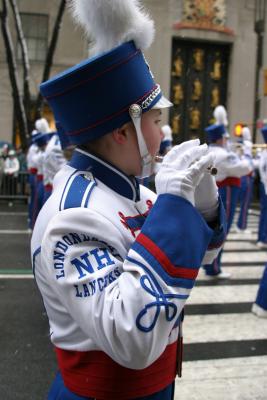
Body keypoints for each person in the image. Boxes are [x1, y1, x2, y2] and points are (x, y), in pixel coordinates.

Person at [31, 1, 226, 399]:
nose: (163, 132)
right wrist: (173, 208)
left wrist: (201, 209)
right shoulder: (76, 215)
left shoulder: (134, 189)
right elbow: (131, 336)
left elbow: (196, 261)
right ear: (123, 132)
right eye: (155, 122)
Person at [202, 123, 252, 279]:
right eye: (225, 138)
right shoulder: (224, 155)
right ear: (220, 139)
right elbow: (245, 169)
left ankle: (210, 265)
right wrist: (248, 153)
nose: (227, 140)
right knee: (223, 229)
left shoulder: (208, 152)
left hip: (213, 191)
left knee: (213, 227)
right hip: (226, 192)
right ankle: (214, 268)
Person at [235, 126, 255, 233]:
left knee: (239, 203)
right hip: (246, 177)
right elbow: (250, 163)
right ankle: (241, 226)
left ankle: (240, 225)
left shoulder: (240, 145)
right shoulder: (247, 145)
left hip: (240, 176)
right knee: (245, 203)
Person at [257, 126, 267, 248]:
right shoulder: (265, 153)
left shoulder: (264, 152)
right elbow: (263, 171)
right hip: (265, 185)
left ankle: (263, 236)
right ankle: (263, 237)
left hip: (264, 184)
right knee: (265, 213)